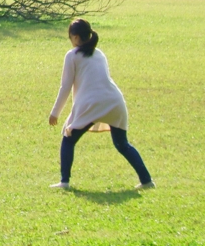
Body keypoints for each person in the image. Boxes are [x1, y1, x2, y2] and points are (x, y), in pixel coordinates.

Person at [48, 18, 154, 190]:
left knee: (68, 138)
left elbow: (65, 86)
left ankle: (64, 181)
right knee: (122, 144)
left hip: (92, 102)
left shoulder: (72, 56)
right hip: (115, 101)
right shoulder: (100, 53)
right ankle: (147, 180)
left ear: (75, 38)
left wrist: (55, 112)